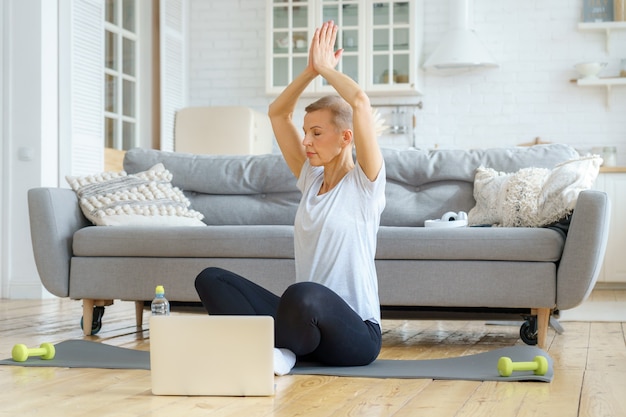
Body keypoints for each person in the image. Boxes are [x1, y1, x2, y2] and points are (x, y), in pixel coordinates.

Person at [194, 20, 386, 375]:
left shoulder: (365, 185)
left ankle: (280, 351)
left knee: (302, 294)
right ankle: (283, 349)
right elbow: (277, 113)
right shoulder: (310, 180)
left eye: (316, 132)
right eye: (305, 132)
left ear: (346, 137)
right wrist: (310, 72)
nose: (306, 142)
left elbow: (359, 102)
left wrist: (328, 70)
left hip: (355, 334)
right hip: (303, 323)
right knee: (211, 278)